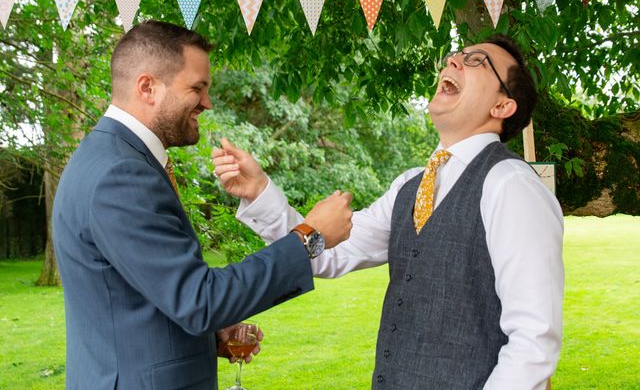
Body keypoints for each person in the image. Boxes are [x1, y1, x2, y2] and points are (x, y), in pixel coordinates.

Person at [213, 35, 564, 390]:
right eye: (457, 54)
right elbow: (328, 253)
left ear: (502, 107)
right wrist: (260, 193)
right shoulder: (410, 185)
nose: (454, 61)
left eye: (477, 61)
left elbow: (533, 339)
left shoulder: (511, 184)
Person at [52, 20, 353, 390]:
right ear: (148, 87)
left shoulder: (112, 157)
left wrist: (206, 339)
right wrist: (310, 235)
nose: (207, 103)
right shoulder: (122, 174)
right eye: (197, 88)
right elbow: (198, 300)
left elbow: (139, 298)